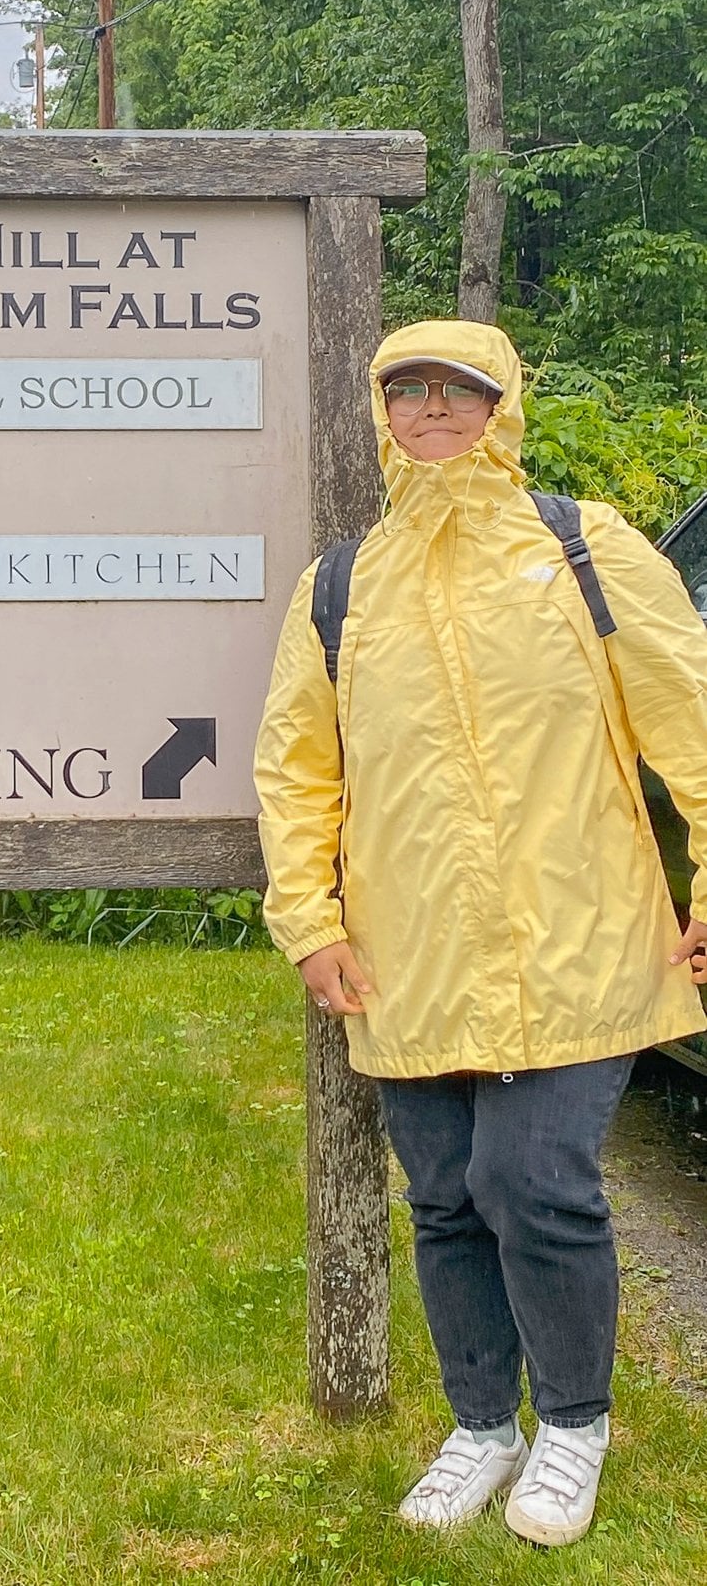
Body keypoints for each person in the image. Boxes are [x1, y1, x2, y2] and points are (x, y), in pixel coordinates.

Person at [253, 319, 707, 1547]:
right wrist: (309, 923)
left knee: (532, 1177)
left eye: (460, 388)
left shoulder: (583, 545)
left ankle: (570, 1423)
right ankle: (480, 1425)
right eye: (409, 391)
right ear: (381, 412)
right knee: (447, 1193)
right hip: (409, 951)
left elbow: (690, 718)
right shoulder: (341, 584)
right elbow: (296, 770)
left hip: (583, 936)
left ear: (501, 402)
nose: (434, 409)